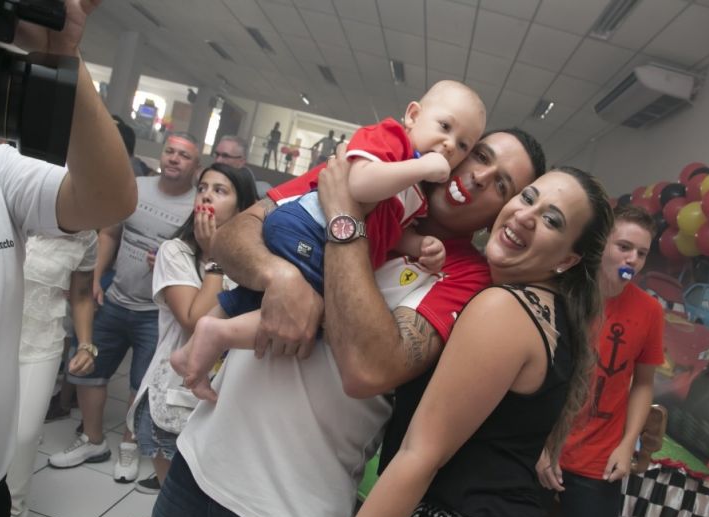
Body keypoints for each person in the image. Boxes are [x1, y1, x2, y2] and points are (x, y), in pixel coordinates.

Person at [148, 129, 545, 517]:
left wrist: (344, 217)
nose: (481, 176)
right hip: (197, 463)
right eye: (480, 155)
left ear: (499, 213)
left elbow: (371, 369)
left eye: (502, 184)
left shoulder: (468, 275)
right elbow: (231, 238)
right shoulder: (365, 173)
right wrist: (279, 276)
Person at [337, 167, 614, 517]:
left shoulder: (503, 308)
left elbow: (420, 455)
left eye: (551, 220)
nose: (526, 217)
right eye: (528, 198)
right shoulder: (553, 316)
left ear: (567, 259)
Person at [172, 80, 486, 400]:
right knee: (322, 306)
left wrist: (416, 244)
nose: (449, 145)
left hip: (310, 234)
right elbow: (361, 185)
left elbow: (389, 231)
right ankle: (218, 334)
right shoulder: (391, 141)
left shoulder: (414, 193)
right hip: (310, 228)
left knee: (255, 296)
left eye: (463, 145)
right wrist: (420, 166)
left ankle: (191, 351)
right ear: (413, 115)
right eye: (444, 127)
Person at [0, 0, 137, 517]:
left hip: (34, 336)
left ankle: (16, 507)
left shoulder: (1, 171)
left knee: (26, 431)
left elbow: (109, 200)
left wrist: (62, 56)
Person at [48, 133, 200, 484]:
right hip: (115, 298)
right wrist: (97, 278)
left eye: (185, 156)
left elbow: (203, 257)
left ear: (196, 166)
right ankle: (93, 439)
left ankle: (129, 445)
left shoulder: (197, 205)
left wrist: (171, 260)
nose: (175, 159)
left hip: (157, 313)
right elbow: (110, 235)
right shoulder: (135, 188)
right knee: (88, 368)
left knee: (140, 384)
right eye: (170, 151)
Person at [123, 163, 256, 517]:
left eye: (221, 190)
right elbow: (195, 321)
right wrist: (214, 259)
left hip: (225, 401)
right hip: (172, 397)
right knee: (179, 503)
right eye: (203, 188)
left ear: (243, 205)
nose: (207, 196)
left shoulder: (254, 262)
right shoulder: (175, 251)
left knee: (204, 508)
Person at [536, 204, 664, 517]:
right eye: (624, 247)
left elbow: (644, 383)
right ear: (601, 245)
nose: (633, 260)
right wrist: (541, 444)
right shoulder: (564, 292)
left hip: (599, 461)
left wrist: (627, 445)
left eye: (642, 253)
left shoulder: (650, 311)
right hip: (539, 447)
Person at [4, 231, 98, 517]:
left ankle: (13, 511)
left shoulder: (86, 234)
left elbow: (83, 294)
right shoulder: (8, 207)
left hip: (41, 338)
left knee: (25, 432)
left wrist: (86, 344)